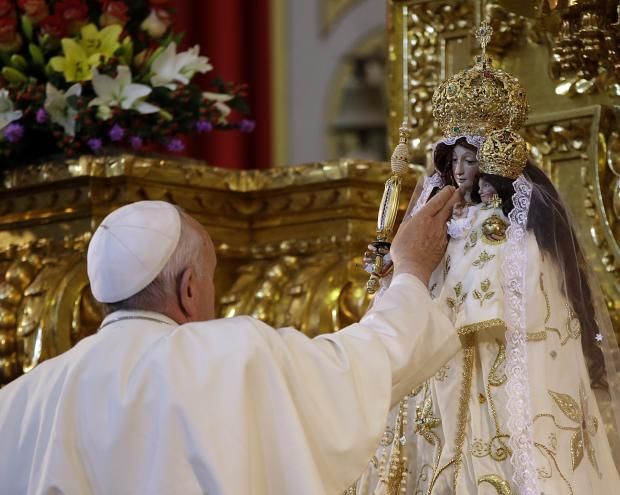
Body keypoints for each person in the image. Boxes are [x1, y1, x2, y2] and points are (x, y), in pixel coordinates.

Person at [0, 188, 463, 495]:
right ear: (188, 289)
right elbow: (369, 363)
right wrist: (411, 271)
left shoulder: (18, 402)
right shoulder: (227, 358)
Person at [355, 27, 620, 495]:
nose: (460, 170)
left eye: (471, 159)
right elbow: (415, 277)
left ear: (492, 163)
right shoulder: (440, 219)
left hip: (492, 356)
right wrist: (391, 269)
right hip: (435, 359)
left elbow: (519, 289)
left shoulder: (515, 227)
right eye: (454, 159)